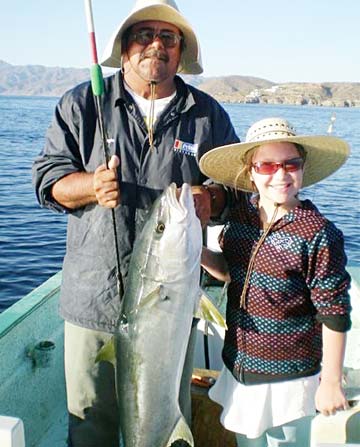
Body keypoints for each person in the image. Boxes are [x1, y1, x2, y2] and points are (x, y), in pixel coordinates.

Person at [32, 0, 239, 445]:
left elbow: (237, 189)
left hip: (174, 302)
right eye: (144, 34)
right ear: (124, 48)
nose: (155, 45)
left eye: (168, 37)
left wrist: (213, 197)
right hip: (93, 298)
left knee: (167, 416)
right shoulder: (83, 104)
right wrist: (89, 186)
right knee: (90, 426)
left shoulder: (207, 115)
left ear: (181, 50)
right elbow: (48, 180)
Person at [199, 117, 352, 447]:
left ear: (303, 168)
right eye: (267, 166)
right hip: (239, 367)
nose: (280, 175)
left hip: (292, 376)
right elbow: (232, 270)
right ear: (251, 172)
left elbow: (335, 312)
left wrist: (330, 380)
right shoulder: (240, 218)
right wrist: (193, 251)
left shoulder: (318, 233)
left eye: (290, 164)